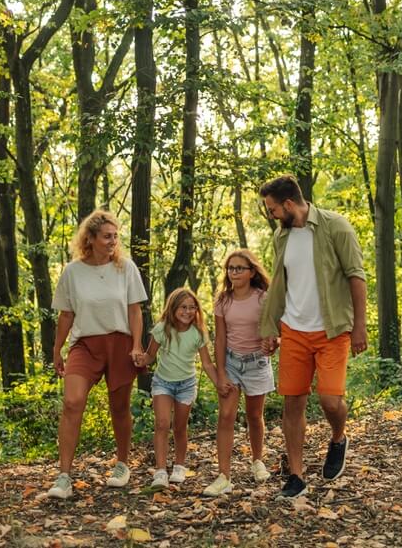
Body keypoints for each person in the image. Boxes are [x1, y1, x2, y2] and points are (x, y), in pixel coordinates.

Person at [258, 175, 367, 499]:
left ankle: (338, 438)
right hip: (294, 330)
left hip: (332, 330)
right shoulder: (282, 237)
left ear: (289, 204)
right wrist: (270, 328)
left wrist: (359, 326)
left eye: (273, 209)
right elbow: (280, 283)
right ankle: (296, 476)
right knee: (293, 402)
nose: (272, 215)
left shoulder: (336, 227)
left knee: (330, 400)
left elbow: (356, 276)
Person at [48, 210, 147, 499]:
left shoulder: (126, 268)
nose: (113, 241)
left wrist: (137, 345)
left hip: (120, 342)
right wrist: (57, 350)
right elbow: (66, 314)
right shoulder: (72, 272)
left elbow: (134, 310)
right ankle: (64, 476)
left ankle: (122, 464)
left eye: (116, 236)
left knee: (119, 407)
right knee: (72, 401)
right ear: (89, 239)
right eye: (107, 236)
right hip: (85, 344)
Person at [202, 250, 274, 497]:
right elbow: (220, 339)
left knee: (255, 415)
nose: (234, 272)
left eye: (239, 268)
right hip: (231, 363)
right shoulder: (223, 300)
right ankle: (224, 476)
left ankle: (257, 461)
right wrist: (220, 374)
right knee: (226, 415)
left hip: (257, 363)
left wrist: (273, 343)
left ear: (252, 272)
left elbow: (274, 332)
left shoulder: (263, 298)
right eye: (230, 268)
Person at [140, 287, 224, 488]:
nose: (188, 311)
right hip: (163, 383)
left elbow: (207, 363)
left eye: (192, 308)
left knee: (179, 427)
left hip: (186, 385)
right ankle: (160, 471)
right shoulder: (162, 329)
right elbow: (150, 355)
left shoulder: (198, 333)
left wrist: (219, 383)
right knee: (162, 423)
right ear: (173, 307)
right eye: (183, 307)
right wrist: (139, 359)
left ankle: (179, 466)